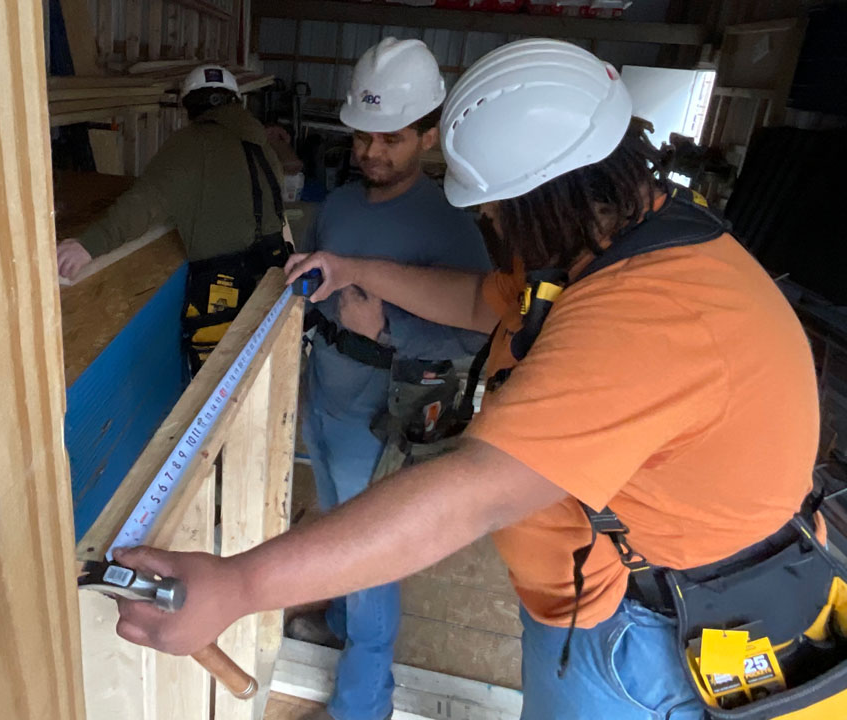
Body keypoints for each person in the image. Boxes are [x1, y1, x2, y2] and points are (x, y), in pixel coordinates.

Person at [110, 39, 825, 719]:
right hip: (603, 595)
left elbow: (469, 497)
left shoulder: (647, 316)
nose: (484, 218)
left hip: (641, 635)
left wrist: (240, 585)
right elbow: (476, 301)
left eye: (494, 207)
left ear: (552, 193)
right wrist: (356, 269)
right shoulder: (617, 239)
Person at [283, 37, 490, 720]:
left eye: (391, 139)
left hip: (386, 418)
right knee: (342, 525)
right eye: (362, 137)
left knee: (369, 556)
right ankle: (338, 627)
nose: (372, 153)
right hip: (327, 395)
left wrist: (390, 332)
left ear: (430, 134)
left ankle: (361, 705)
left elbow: (476, 331)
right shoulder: (340, 204)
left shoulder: (451, 224)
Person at [57, 65, 291, 373]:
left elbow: (146, 202)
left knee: (216, 384)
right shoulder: (263, 146)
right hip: (273, 275)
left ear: (190, 106)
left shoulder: (192, 143)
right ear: (236, 101)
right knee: (262, 375)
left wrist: (89, 245)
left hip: (224, 288)